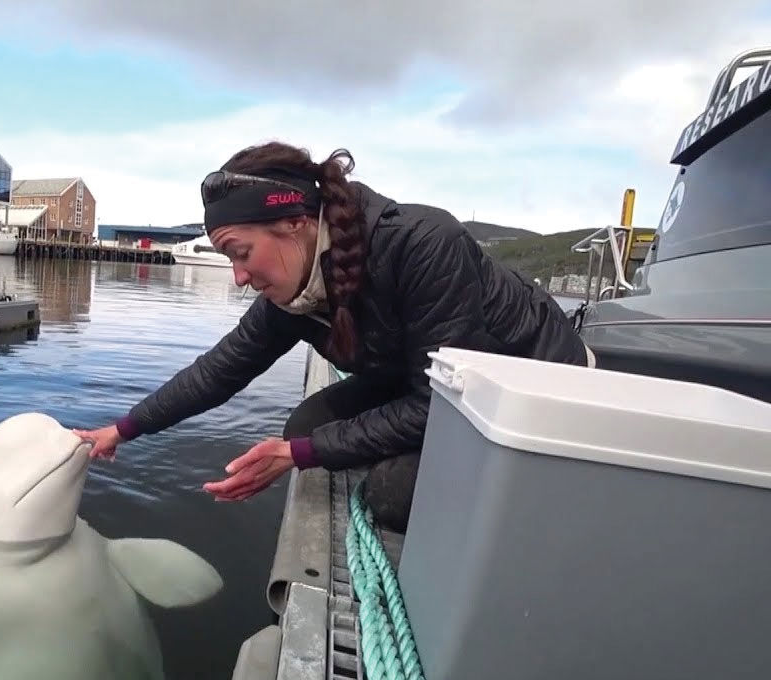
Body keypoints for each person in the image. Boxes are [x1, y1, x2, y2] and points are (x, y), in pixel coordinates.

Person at [72, 142, 592, 532]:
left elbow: (439, 404)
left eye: (240, 252)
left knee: (392, 495)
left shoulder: (425, 244)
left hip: (527, 391)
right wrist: (123, 429)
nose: (238, 277)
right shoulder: (296, 291)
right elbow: (221, 369)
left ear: (295, 223)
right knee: (306, 425)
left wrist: (299, 455)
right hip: (424, 382)